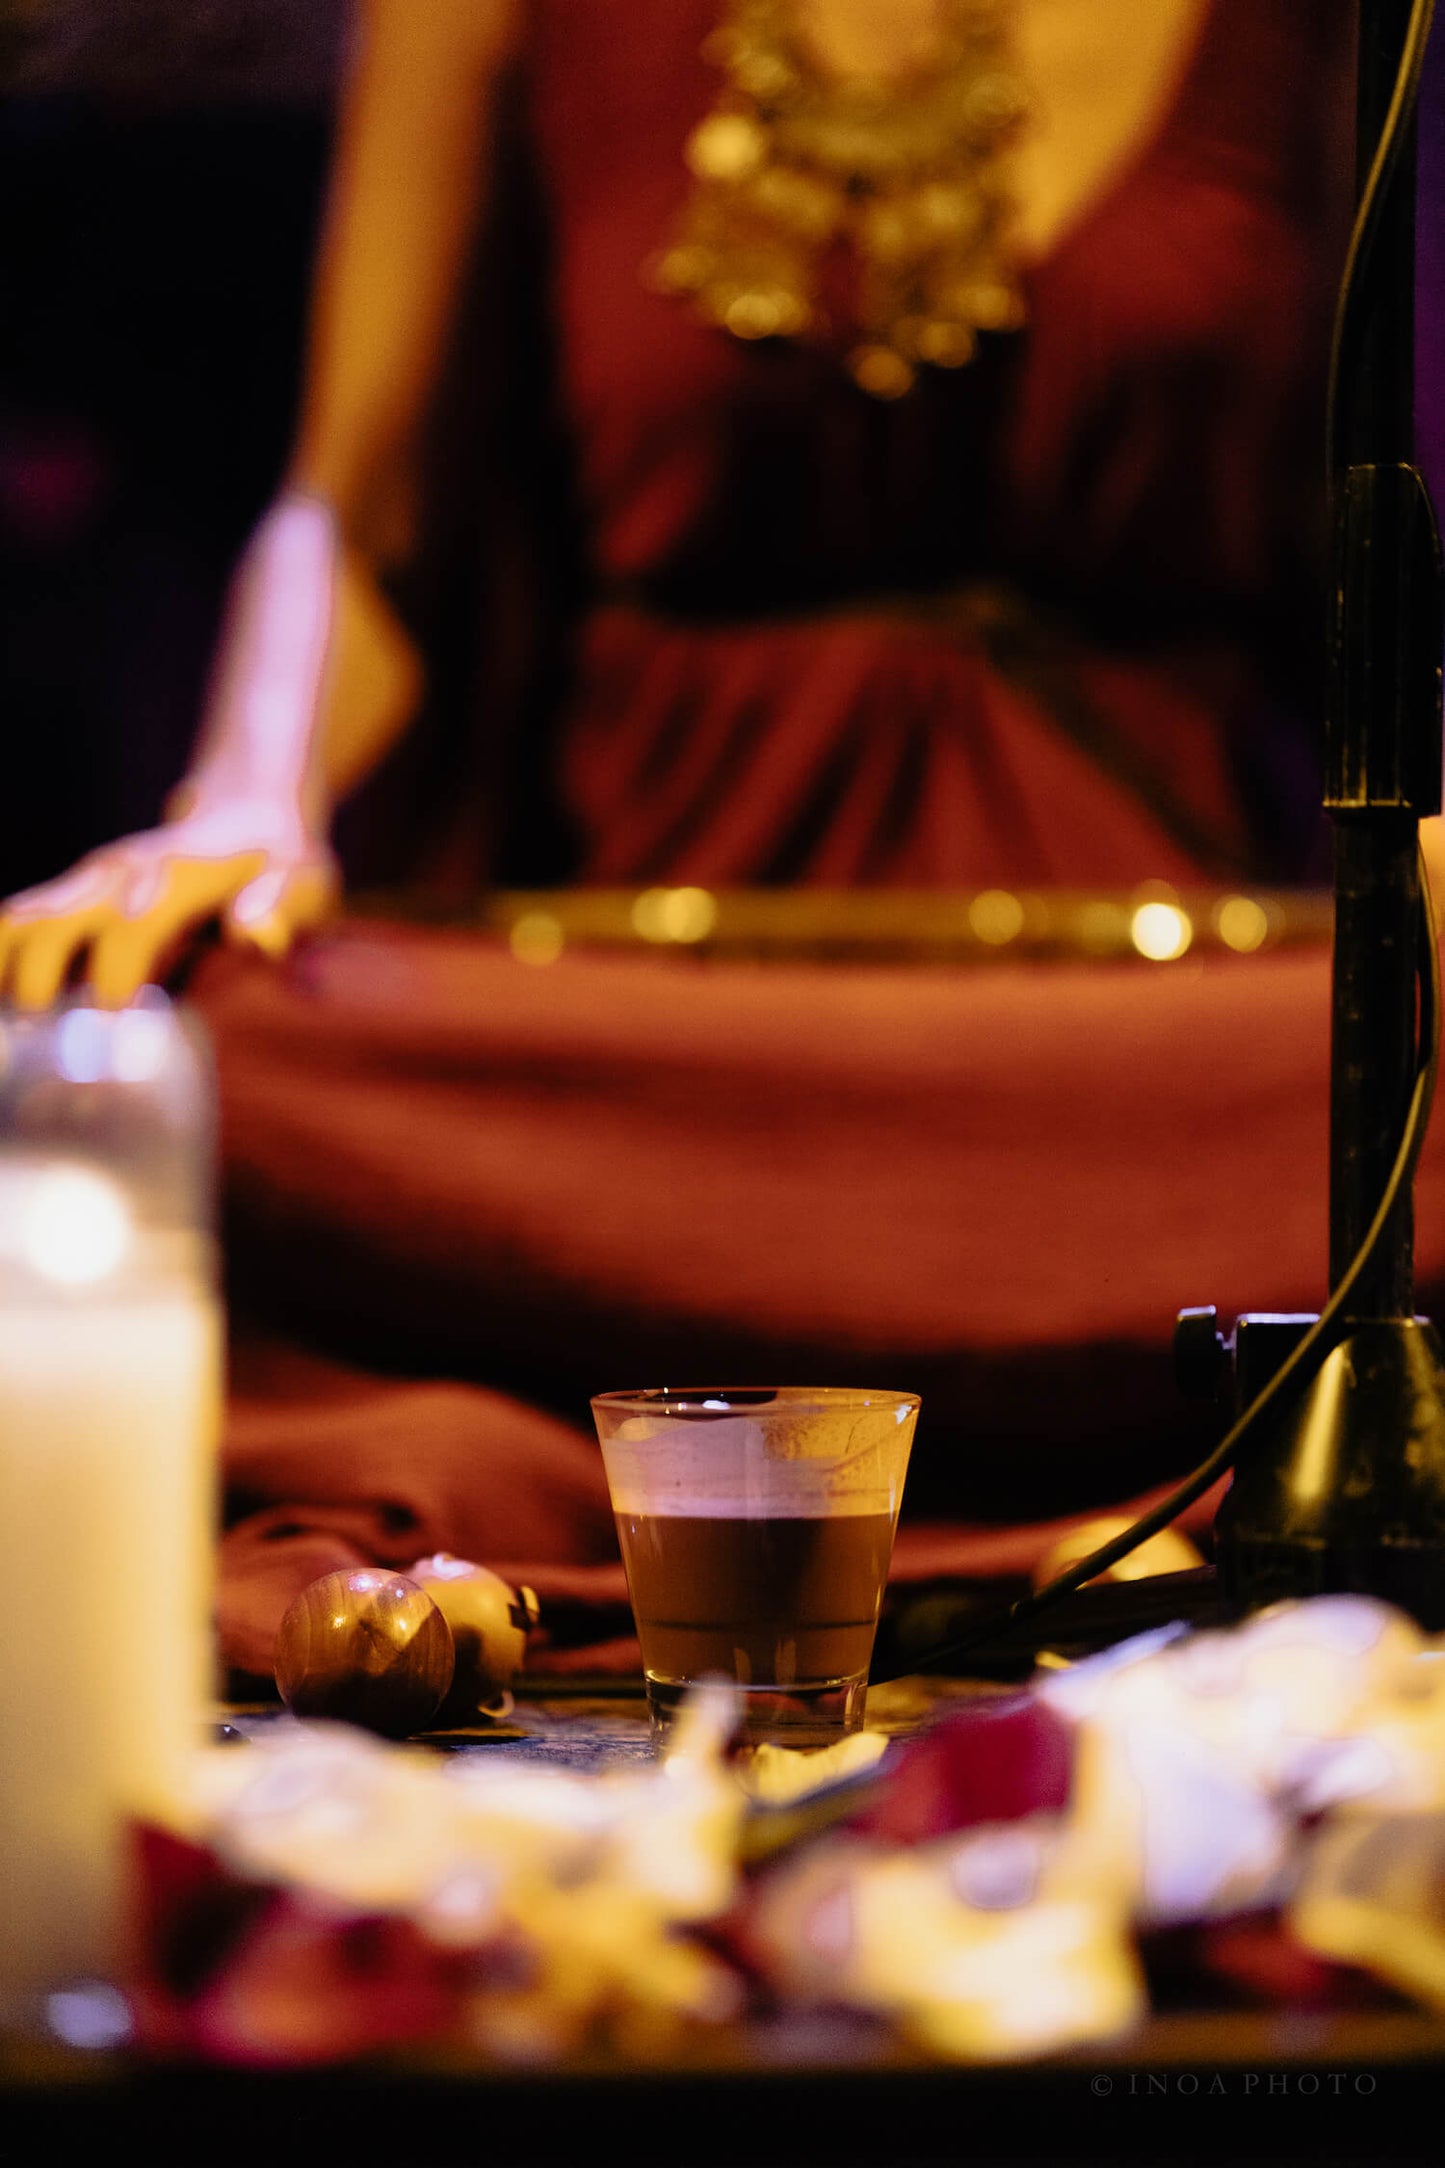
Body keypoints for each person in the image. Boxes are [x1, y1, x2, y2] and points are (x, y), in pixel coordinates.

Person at [4, 0, 1434, 1683]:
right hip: (657, 1056)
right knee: (172, 1036)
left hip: (1121, 1064)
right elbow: (356, 513)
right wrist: (241, 800)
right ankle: (1036, 1495)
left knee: (1408, 1079)